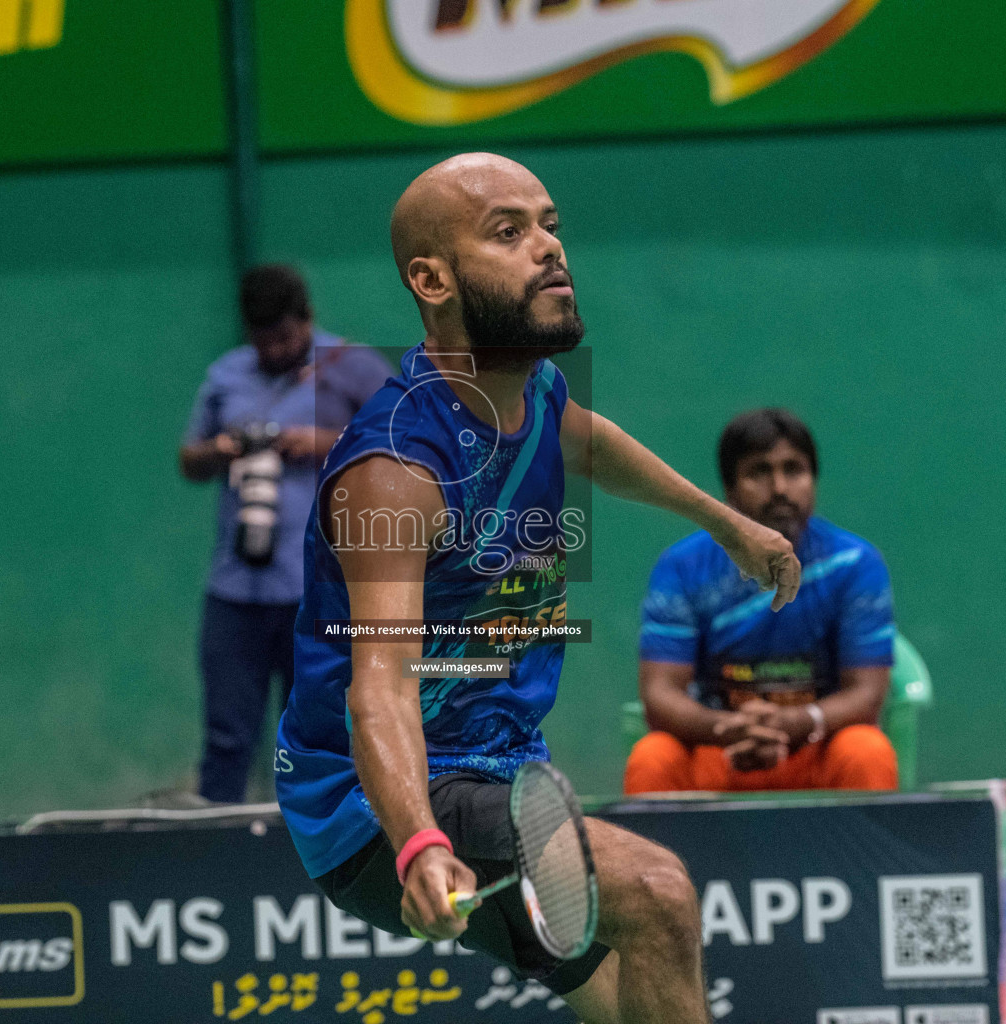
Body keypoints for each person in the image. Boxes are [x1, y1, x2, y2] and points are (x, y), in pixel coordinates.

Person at [274, 153, 801, 1023]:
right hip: (382, 796)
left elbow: (582, 439)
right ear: (431, 279)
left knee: (634, 999)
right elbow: (381, 691)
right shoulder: (397, 471)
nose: (549, 249)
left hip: (500, 762)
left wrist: (725, 523)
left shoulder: (531, 389)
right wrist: (418, 847)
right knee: (658, 892)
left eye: (550, 224)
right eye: (508, 233)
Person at [177, 265, 389, 805]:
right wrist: (220, 449)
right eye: (262, 339)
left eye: (286, 337)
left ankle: (328, 852)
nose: (274, 350)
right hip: (235, 588)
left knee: (322, 738)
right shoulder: (226, 376)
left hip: (319, 593)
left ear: (308, 319)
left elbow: (404, 442)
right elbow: (189, 459)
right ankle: (220, 855)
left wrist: (324, 442)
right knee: (227, 738)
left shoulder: (353, 367)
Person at [624, 408, 899, 795]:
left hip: (814, 749)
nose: (780, 488)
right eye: (758, 472)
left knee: (866, 751)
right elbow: (660, 694)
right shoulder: (682, 567)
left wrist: (795, 723)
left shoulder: (854, 565)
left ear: (813, 480)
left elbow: (867, 694)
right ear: (729, 490)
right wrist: (732, 729)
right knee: (652, 757)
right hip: (719, 749)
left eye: (794, 470)